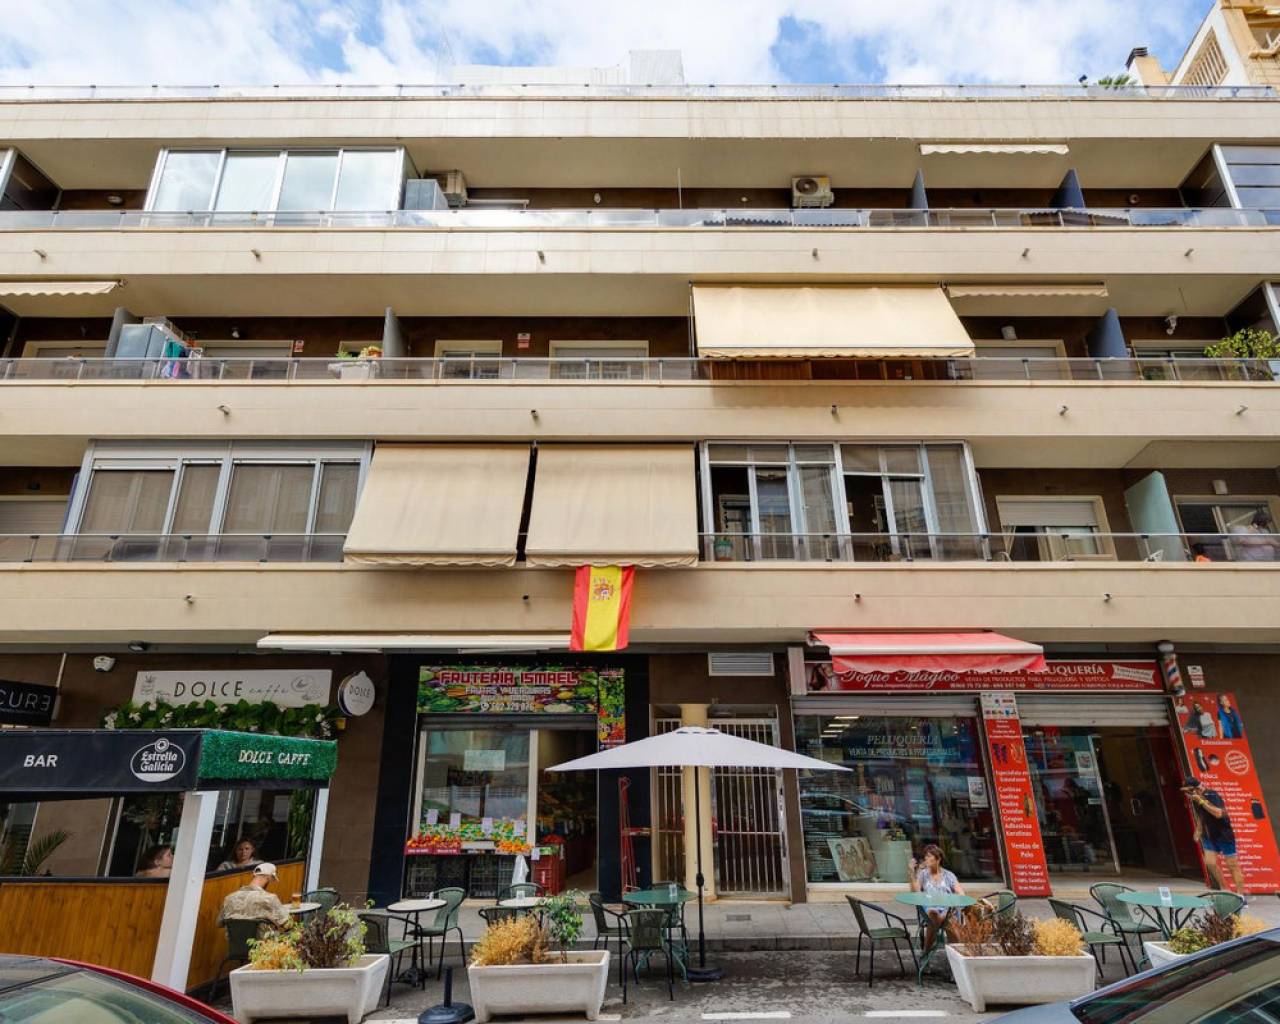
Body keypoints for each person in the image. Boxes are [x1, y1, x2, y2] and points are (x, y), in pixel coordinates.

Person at [1183, 777, 1246, 895]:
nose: (1188, 795)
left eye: (1188, 791)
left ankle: (1241, 895)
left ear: (1195, 789)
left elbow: (1218, 813)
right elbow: (1201, 816)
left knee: (1232, 865)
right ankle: (1225, 890)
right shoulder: (1196, 800)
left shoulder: (1212, 795)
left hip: (1224, 835)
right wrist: (1198, 830)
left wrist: (1202, 801)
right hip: (1210, 836)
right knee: (1210, 863)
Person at [908, 844, 966, 952]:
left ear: (938, 859)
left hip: (947, 908)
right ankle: (956, 953)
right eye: (925, 856)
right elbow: (916, 892)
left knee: (944, 920)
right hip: (929, 908)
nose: (926, 858)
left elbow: (961, 894)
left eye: (929, 856)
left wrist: (950, 901)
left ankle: (926, 952)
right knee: (934, 913)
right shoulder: (923, 874)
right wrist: (912, 872)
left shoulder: (949, 875)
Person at [217, 862, 291, 934]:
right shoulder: (269, 899)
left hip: (234, 942)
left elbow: (219, 923)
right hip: (261, 942)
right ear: (269, 878)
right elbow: (287, 924)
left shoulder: (228, 899)